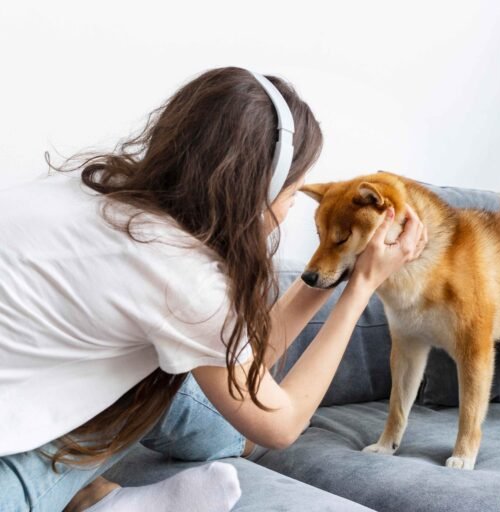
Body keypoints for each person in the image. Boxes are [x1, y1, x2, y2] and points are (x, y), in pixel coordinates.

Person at [0, 66, 427, 512]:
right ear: (255, 191)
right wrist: (362, 286)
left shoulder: (98, 184)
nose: (289, 209)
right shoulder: (178, 271)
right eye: (292, 192)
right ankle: (102, 501)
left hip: (30, 379)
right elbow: (280, 425)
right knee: (174, 391)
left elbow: (239, 356)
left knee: (181, 392)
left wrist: (333, 270)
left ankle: (93, 493)